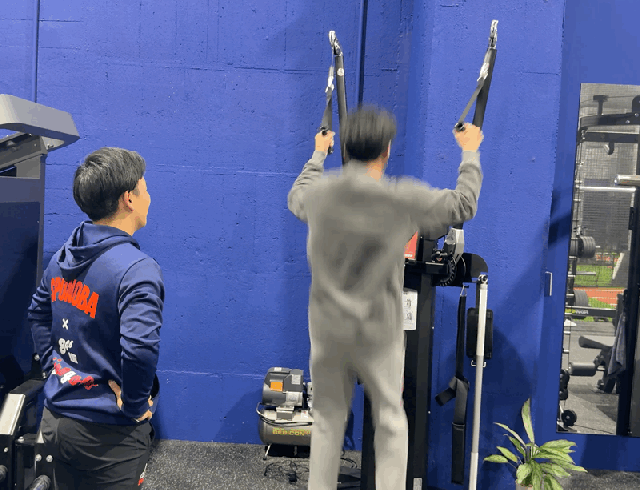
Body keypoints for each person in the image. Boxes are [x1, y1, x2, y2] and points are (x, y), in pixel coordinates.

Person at [287, 106, 484, 490]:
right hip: (379, 334)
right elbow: (464, 205)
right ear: (387, 150)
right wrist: (470, 150)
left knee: (327, 423)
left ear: (346, 147)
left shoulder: (318, 195)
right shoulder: (402, 198)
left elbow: (296, 195)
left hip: (328, 333)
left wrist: (318, 154)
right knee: (391, 420)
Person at [27, 147, 164, 489]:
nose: (149, 197)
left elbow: (37, 314)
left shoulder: (63, 257)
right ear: (129, 198)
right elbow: (140, 350)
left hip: (55, 421)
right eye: (145, 189)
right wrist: (134, 405)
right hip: (107, 438)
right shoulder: (138, 270)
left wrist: (55, 369)